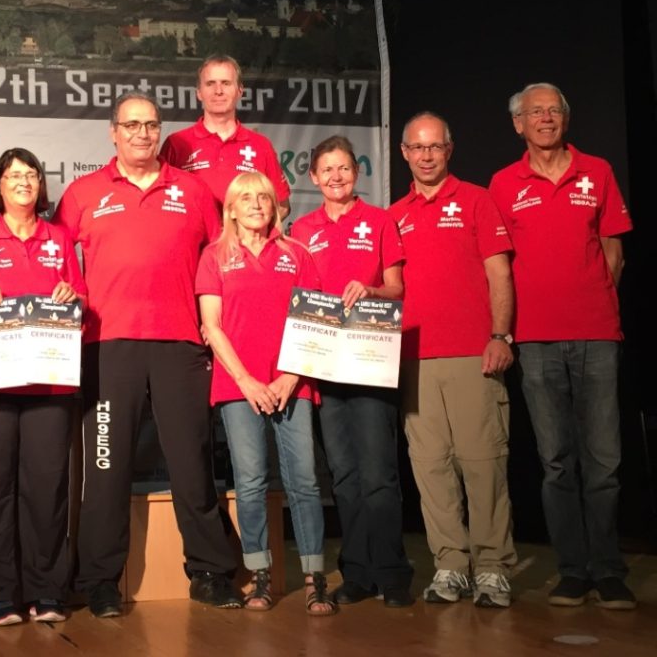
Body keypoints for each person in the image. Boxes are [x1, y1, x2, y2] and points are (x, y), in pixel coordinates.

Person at [54, 91, 242, 617]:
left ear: (160, 132)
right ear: (113, 132)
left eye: (150, 125)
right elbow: (52, 257)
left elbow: (223, 256)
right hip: (107, 345)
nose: (141, 134)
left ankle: (210, 571)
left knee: (190, 462)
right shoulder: (82, 193)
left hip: (181, 342)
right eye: (131, 125)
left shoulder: (192, 189)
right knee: (107, 467)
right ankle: (99, 581)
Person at [489, 83, 635, 610]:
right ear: (518, 124)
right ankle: (573, 571)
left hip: (598, 335)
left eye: (554, 110)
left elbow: (614, 254)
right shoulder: (504, 183)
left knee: (604, 462)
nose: (545, 118)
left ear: (566, 119)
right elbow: (498, 267)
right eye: (535, 112)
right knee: (555, 462)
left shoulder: (596, 171)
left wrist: (592, 305)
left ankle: (609, 570)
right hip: (536, 340)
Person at [0, 148, 86, 626]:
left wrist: (73, 295)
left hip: (48, 382)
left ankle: (47, 591)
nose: (23, 182)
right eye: (13, 175)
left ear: (40, 186)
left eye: (31, 174)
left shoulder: (61, 238)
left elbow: (82, 299)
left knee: (46, 490)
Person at [388, 112, 517, 608]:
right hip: (415, 360)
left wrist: (500, 334)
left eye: (434, 147)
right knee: (431, 468)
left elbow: (500, 274)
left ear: (449, 149)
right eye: (417, 148)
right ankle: (449, 566)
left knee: (484, 465)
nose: (426, 156)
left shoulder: (478, 200)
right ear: (404, 153)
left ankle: (492, 567)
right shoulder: (393, 215)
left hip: (473, 355)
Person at [196, 172, 334, 615]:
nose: (257, 204)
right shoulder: (214, 257)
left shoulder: (297, 254)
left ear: (275, 206)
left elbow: (313, 324)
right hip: (239, 387)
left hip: (293, 382)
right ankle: (259, 578)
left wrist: (288, 378)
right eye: (246, 198)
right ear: (231, 208)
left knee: (305, 482)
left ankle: (315, 578)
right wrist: (249, 382)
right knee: (251, 482)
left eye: (264, 197)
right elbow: (211, 327)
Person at [290, 135, 414, 607]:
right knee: (342, 475)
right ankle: (358, 573)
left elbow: (397, 289)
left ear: (355, 173)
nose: (336, 177)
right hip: (324, 365)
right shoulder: (301, 229)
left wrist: (371, 290)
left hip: (370, 359)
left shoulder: (380, 221)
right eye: (327, 170)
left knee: (379, 471)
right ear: (314, 177)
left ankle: (393, 573)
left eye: (344, 168)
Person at [160, 54, 291, 212]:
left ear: (240, 91)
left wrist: (245, 231)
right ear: (199, 92)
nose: (218, 91)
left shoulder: (260, 145)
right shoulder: (177, 143)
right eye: (210, 84)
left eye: (226, 83)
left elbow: (282, 207)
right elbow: (160, 204)